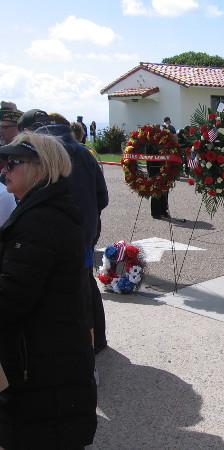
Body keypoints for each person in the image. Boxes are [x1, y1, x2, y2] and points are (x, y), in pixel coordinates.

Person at [0, 132, 97, 448]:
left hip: (40, 359)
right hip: (49, 351)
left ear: (39, 168)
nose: (4, 169)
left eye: (13, 162)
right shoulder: (44, 210)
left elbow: (11, 298)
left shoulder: (40, 220)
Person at [20, 110, 110, 355]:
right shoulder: (84, 153)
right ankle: (97, 341)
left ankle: (81, 350)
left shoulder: (38, 154)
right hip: (85, 233)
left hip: (56, 236)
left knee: (68, 294)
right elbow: (102, 197)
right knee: (86, 284)